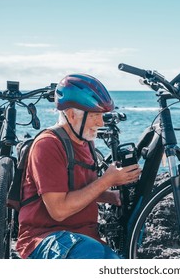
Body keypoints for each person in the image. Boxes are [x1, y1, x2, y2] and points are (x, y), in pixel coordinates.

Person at [16, 73, 141, 259]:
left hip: (85, 238)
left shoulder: (85, 142)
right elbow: (59, 210)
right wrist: (107, 180)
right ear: (72, 114)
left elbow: (79, 189)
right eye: (95, 116)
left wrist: (112, 196)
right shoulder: (48, 145)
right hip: (45, 239)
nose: (101, 123)